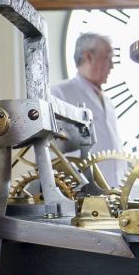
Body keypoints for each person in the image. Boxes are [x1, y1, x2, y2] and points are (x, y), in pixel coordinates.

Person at [52, 33, 125, 187]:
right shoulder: (59, 93)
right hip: (80, 190)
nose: (111, 65)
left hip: (113, 188)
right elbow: (54, 152)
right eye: (108, 57)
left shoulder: (108, 102)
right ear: (88, 57)